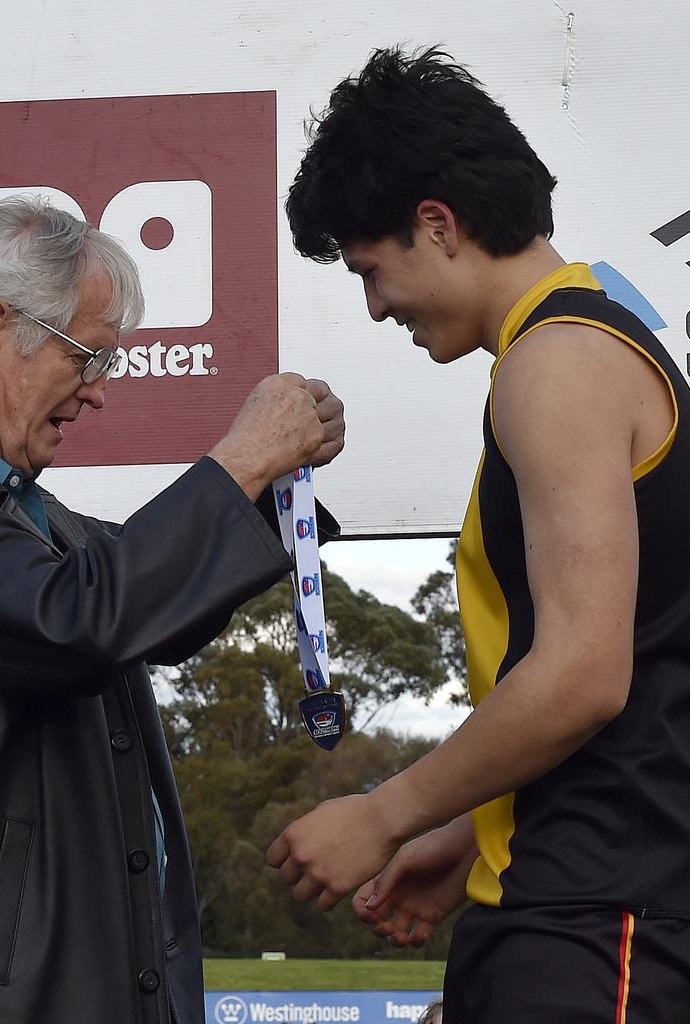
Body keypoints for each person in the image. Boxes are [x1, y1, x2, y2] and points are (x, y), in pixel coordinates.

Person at [266, 46, 690, 1023]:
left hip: (598, 919)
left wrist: (381, 813)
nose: (375, 307)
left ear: (437, 225)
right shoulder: (574, 350)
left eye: (372, 270)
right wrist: (473, 831)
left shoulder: (560, 363)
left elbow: (586, 674)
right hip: (567, 902)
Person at [0, 197, 344, 1024]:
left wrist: (271, 497)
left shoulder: (15, 512)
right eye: (88, 358)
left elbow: (153, 613)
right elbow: (78, 622)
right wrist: (245, 457)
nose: (99, 394)